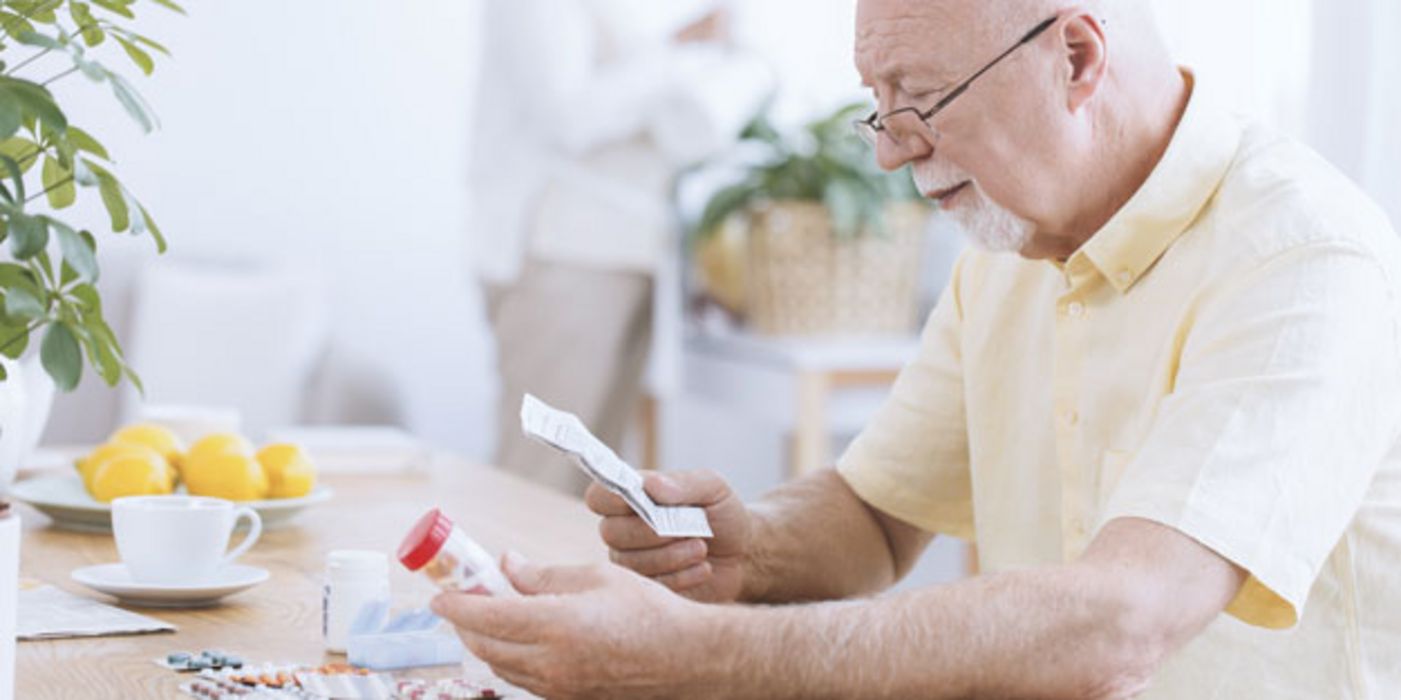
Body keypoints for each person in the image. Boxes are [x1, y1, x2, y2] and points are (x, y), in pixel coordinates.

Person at [436, 0, 1401, 697]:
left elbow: (1121, 622)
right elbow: (877, 519)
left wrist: (691, 654)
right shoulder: (1012, 241)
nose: (890, 150)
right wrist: (750, 550)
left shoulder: (1304, 257)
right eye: (878, 100)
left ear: (1074, 56)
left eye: (921, 96)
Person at [470, 0, 768, 495]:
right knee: (537, 483)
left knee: (590, 490)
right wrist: (678, 51)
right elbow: (567, 115)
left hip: (624, 252)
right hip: (563, 252)